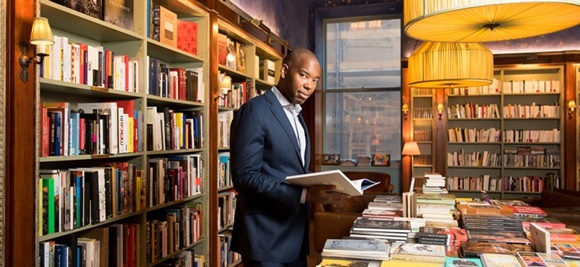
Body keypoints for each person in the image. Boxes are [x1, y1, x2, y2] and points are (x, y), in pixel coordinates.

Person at [229, 48, 349, 267]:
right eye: (303, 75)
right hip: (265, 239)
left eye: (315, 80)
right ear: (285, 70)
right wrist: (304, 194)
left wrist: (327, 186)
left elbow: (291, 171)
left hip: (295, 236)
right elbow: (244, 177)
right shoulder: (254, 111)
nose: (309, 85)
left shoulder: (297, 116)